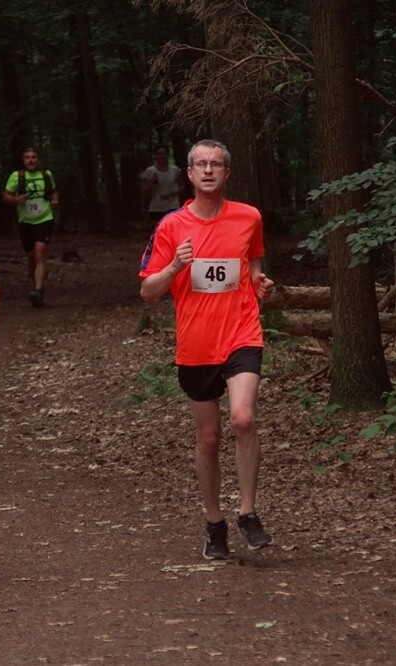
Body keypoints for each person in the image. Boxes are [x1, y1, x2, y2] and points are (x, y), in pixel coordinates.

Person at [138, 139, 275, 560]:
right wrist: (176, 266)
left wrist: (261, 285)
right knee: (210, 438)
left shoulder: (248, 217)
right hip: (196, 345)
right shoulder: (171, 227)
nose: (210, 170)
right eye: (201, 164)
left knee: (244, 418)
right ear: (190, 174)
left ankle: (248, 513)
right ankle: (213, 521)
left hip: (241, 334)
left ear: (227, 173)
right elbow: (147, 291)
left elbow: (252, 268)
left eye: (217, 164)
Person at [3, 147, 59, 308]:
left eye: (34, 157)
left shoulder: (46, 175)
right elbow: (6, 196)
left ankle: (38, 290)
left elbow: (54, 192)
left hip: (44, 218)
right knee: (32, 258)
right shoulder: (17, 176)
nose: (31, 160)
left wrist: (55, 201)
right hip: (25, 221)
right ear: (23, 160)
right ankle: (36, 289)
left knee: (40, 254)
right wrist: (17, 199)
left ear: (38, 159)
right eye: (27, 157)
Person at [141, 144, 185, 228]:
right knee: (159, 231)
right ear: (155, 156)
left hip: (172, 205)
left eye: (164, 153)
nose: (162, 156)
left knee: (173, 230)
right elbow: (144, 190)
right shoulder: (150, 171)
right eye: (159, 153)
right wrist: (152, 182)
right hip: (156, 207)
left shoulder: (174, 170)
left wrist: (175, 192)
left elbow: (182, 186)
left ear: (167, 155)